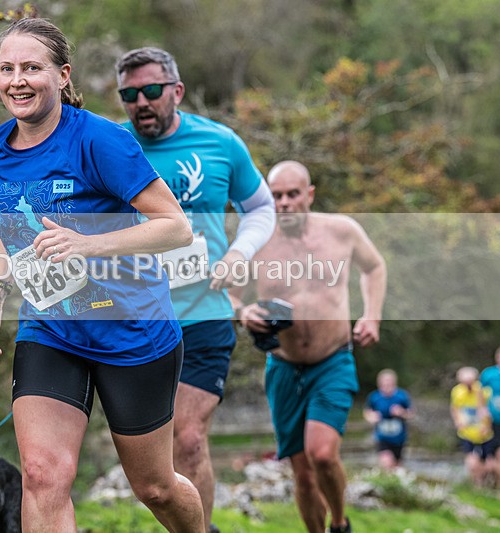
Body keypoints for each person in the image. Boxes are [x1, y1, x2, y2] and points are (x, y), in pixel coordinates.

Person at [0, 18, 204, 533]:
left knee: (155, 488)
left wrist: (87, 245)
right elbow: (11, 223)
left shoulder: (100, 140)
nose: (17, 81)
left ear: (62, 75)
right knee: (41, 476)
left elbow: (176, 227)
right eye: (7, 69)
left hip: (132, 330)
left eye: (32, 68)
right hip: (50, 330)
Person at [114, 47, 275, 532]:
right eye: (129, 94)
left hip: (204, 312)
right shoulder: (110, 145)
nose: (141, 102)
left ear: (177, 91)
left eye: (151, 90)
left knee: (188, 439)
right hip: (135, 320)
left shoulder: (220, 142)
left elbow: (260, 208)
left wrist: (239, 254)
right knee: (155, 465)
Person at [233, 160, 387, 533]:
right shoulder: (256, 237)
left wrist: (371, 316)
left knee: (322, 455)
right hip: (283, 365)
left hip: (332, 360)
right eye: (276, 196)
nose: (284, 203)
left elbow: (374, 267)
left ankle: (340, 523)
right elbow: (230, 294)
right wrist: (243, 312)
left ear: (310, 194)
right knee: (301, 472)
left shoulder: (342, 231)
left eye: (292, 194)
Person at [450, 366, 498, 487]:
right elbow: (455, 408)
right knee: (472, 462)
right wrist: (458, 421)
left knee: (490, 463)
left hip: (485, 434)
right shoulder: (457, 391)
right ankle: (477, 485)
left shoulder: (484, 390)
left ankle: (489, 484)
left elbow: (490, 409)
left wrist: (488, 426)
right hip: (467, 433)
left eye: (470, 381)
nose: (468, 385)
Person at [363, 369, 413, 470]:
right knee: (386, 462)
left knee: (397, 467)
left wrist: (401, 412)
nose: (386, 386)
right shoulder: (374, 397)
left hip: (399, 438)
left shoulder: (402, 396)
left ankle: (392, 479)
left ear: (394, 383)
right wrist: (372, 417)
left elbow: (410, 414)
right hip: (382, 437)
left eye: (389, 383)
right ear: (379, 384)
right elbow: (367, 412)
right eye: (384, 384)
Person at [480, 344, 500, 501]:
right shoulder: (489, 375)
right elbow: (479, 394)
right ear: (498, 359)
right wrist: (482, 411)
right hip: (497, 423)